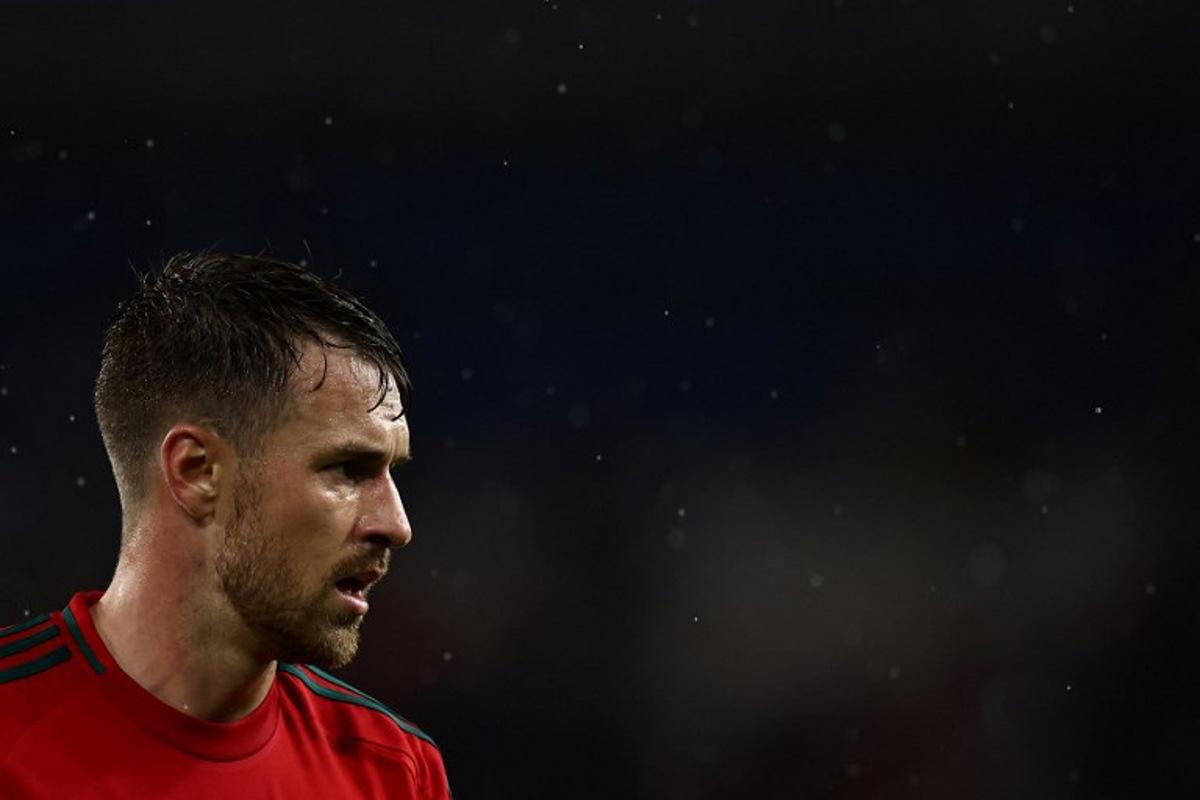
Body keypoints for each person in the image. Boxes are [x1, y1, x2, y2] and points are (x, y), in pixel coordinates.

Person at [0, 252, 452, 798]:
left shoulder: (394, 770)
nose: (396, 525)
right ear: (197, 473)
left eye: (390, 473)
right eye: (348, 469)